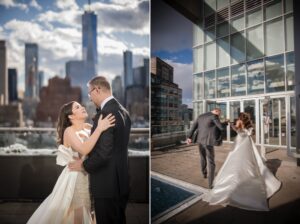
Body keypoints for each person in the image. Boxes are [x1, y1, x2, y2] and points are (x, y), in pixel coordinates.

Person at [27, 101, 115, 224]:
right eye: (78, 107)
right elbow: (84, 149)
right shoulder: (69, 131)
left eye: (81, 106)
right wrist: (99, 128)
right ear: (71, 116)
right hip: (76, 178)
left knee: (92, 212)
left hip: (91, 175)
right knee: (79, 214)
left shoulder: (88, 128)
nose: (83, 107)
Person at [68, 76, 131, 224]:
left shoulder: (105, 114)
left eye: (89, 93)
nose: (89, 98)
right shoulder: (123, 111)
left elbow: (103, 154)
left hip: (106, 185)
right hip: (122, 181)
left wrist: (83, 165)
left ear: (97, 90)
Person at [202, 112, 281, 211]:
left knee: (235, 158)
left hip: (240, 141)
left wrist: (231, 124)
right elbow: (250, 133)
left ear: (240, 117)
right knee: (249, 158)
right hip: (247, 142)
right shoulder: (249, 123)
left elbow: (236, 130)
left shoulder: (239, 121)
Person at [187, 108, 227, 189]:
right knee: (211, 161)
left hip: (200, 140)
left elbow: (193, 127)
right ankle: (211, 184)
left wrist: (189, 137)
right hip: (208, 142)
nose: (219, 115)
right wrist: (225, 123)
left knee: (202, 158)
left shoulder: (200, 116)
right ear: (216, 111)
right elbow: (221, 128)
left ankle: (204, 174)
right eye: (219, 113)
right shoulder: (214, 116)